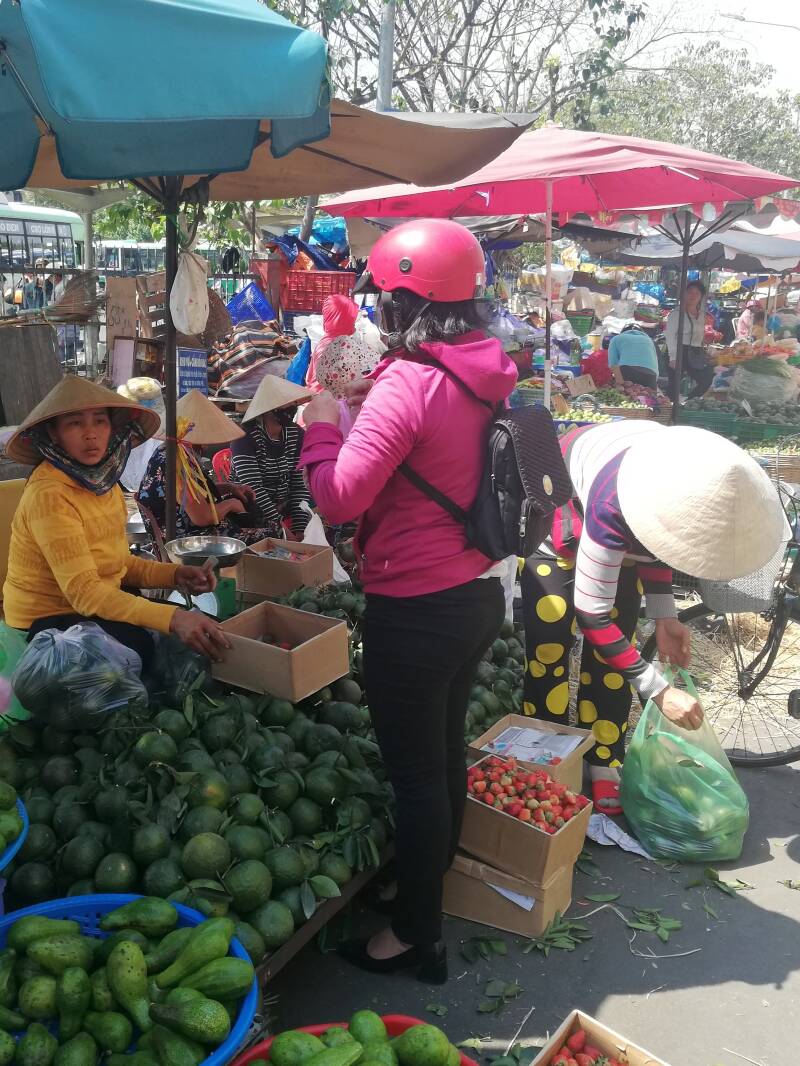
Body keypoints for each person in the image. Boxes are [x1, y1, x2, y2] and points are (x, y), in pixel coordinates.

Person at [300, 219, 517, 983]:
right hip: (475, 596)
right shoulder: (484, 367)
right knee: (445, 758)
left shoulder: (410, 382)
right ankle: (424, 888)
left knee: (418, 777)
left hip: (416, 609)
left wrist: (319, 427)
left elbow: (339, 497)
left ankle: (416, 937)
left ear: (403, 300)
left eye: (383, 299)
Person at [520, 419, 788, 814]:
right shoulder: (614, 503)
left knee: (613, 658)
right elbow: (592, 614)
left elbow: (664, 545)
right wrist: (658, 690)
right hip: (564, 507)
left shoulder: (691, 496)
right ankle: (548, 753)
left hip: (626, 514)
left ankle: (604, 758)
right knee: (550, 646)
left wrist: (665, 617)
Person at [2, 377, 229, 665]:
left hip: (91, 606)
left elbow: (120, 565)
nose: (91, 434)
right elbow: (86, 593)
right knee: (146, 648)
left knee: (204, 630)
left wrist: (175, 575)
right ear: (53, 434)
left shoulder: (103, 483)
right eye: (75, 424)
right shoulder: (49, 495)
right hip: (44, 623)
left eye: (100, 421)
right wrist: (173, 618)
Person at [137, 389, 274, 545]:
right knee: (270, 534)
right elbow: (202, 517)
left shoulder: (169, 451)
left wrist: (230, 488)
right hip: (186, 541)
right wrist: (231, 505)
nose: (208, 444)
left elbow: (195, 496)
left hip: (185, 528)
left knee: (252, 514)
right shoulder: (177, 461)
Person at [230, 376, 314, 540]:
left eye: (293, 404)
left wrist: (299, 528)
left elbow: (299, 484)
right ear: (269, 409)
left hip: (283, 503)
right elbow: (254, 489)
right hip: (250, 506)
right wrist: (282, 529)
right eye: (285, 404)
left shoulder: (296, 434)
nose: (291, 408)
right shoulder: (245, 437)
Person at [306, 295, 381, 397]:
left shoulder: (329, 341)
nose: (354, 322)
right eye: (351, 319)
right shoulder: (334, 348)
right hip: (327, 400)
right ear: (342, 320)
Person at [665, 280, 713, 399]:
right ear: (685, 294)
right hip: (679, 350)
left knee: (706, 380)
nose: (693, 296)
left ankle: (688, 403)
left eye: (697, 293)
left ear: (701, 297)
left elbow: (700, 334)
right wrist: (673, 357)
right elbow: (670, 335)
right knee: (674, 387)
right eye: (690, 292)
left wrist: (705, 348)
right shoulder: (677, 314)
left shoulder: (701, 315)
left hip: (695, 352)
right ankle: (671, 408)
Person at [607, 323, 660, 390]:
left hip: (627, 370)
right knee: (649, 396)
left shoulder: (616, 338)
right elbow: (655, 363)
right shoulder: (649, 340)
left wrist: (619, 384)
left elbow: (613, 364)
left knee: (626, 395)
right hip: (650, 374)